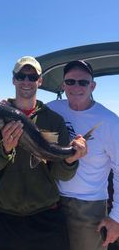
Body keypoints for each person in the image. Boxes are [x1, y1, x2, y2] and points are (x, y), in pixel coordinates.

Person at [0, 56, 87, 250]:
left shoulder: (54, 120)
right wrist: (4, 149)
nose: (26, 81)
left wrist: (70, 160)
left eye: (32, 76)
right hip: (3, 215)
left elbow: (61, 174)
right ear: (13, 79)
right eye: (21, 76)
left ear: (40, 81)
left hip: (46, 214)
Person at [47, 60, 119, 250]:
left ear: (92, 86)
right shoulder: (53, 108)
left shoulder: (110, 121)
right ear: (63, 85)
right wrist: (8, 106)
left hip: (89, 206)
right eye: (70, 82)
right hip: (52, 201)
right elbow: (29, 115)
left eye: (83, 82)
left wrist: (116, 219)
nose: (76, 87)